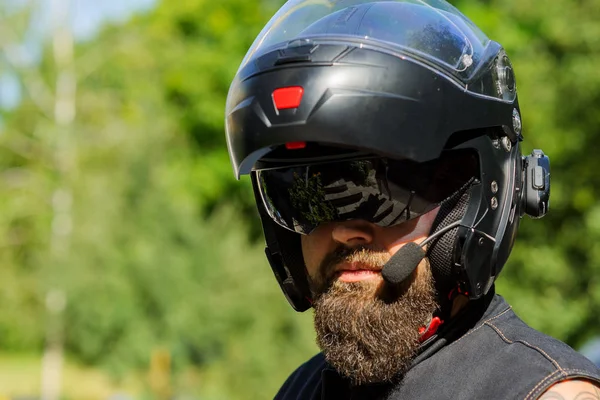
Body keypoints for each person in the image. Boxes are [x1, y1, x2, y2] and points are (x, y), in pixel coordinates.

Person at [224, 0, 600, 398]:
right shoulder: (301, 390)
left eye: (382, 193)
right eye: (304, 201)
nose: (345, 231)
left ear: (474, 198)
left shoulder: (536, 392)